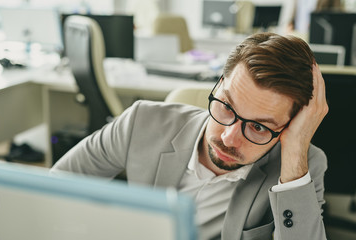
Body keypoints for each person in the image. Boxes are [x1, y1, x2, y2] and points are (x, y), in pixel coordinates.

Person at [51, 32, 329, 240]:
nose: (230, 138)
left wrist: (294, 153)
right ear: (218, 85)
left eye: (259, 127)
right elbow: (54, 188)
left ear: (289, 127)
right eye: (227, 106)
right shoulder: (142, 121)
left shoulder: (302, 167)